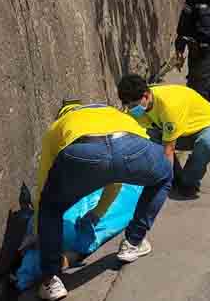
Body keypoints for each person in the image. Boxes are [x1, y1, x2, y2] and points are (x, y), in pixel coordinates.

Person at [31, 100, 173, 300]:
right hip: (129, 145)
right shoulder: (119, 115)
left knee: (50, 207)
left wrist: (40, 230)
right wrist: (98, 213)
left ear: (64, 113)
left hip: (84, 152)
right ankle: (133, 242)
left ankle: (51, 281)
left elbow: (43, 184)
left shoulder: (59, 125)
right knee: (164, 175)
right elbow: (114, 178)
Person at [117, 74, 210, 199]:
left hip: (207, 129)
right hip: (180, 132)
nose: (132, 109)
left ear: (146, 95)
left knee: (208, 144)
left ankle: (188, 182)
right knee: (147, 136)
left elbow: (168, 150)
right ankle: (175, 177)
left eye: (134, 105)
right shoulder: (140, 106)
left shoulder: (168, 105)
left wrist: (163, 187)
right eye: (129, 106)